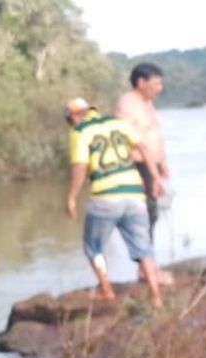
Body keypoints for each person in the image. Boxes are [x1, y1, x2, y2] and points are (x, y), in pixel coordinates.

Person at [63, 97, 163, 307]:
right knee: (143, 247)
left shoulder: (79, 132)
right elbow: (143, 148)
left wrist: (71, 198)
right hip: (135, 194)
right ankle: (155, 295)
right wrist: (155, 177)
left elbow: (80, 166)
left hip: (105, 197)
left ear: (73, 117)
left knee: (93, 247)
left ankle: (106, 290)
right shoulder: (117, 123)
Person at [115, 62, 168, 239]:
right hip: (137, 167)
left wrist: (162, 164)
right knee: (142, 216)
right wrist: (154, 176)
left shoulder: (147, 102)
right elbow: (138, 143)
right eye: (156, 84)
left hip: (151, 166)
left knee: (151, 215)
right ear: (141, 82)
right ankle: (145, 265)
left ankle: (147, 264)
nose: (160, 89)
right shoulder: (128, 104)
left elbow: (154, 135)